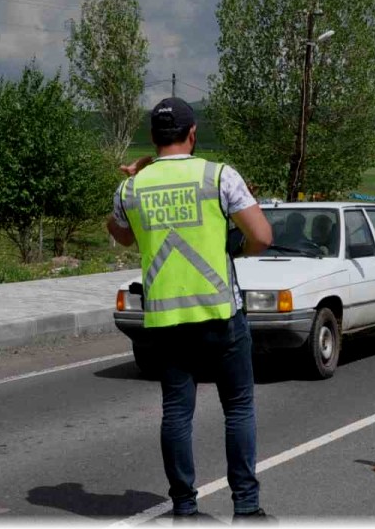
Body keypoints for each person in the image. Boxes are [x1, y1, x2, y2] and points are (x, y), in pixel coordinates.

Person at [106, 97, 274, 523]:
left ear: (152, 138)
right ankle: (246, 508)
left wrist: (136, 176)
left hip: (166, 321)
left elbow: (121, 237)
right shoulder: (218, 176)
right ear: (193, 133)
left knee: (177, 412)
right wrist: (236, 248)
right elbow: (262, 236)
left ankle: (185, 509)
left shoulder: (131, 187)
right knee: (237, 408)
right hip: (220, 313)